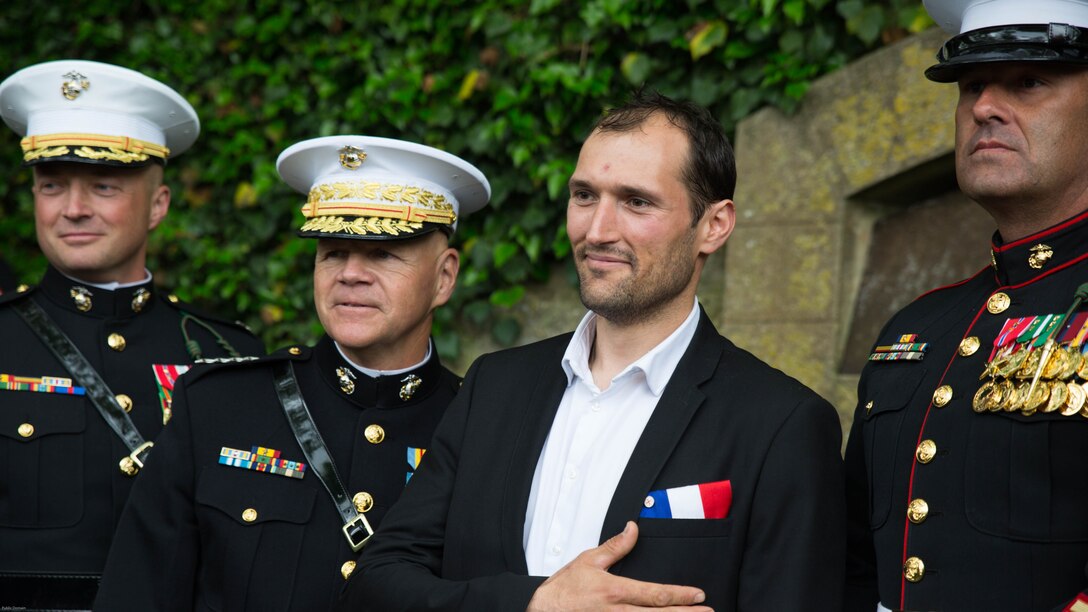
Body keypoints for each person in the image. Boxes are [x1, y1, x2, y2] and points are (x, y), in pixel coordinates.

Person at [338, 91, 845, 611]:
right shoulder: (495, 385)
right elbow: (377, 583)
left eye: (636, 201)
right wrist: (532, 604)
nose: (597, 231)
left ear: (713, 226)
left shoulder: (782, 424)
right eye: (584, 196)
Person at [93, 135, 490, 611]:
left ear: (444, 277)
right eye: (333, 252)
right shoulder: (219, 405)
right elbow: (139, 594)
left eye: (383, 253)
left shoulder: (479, 427)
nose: (350, 274)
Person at [843, 1, 1088, 610]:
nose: (983, 107)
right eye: (973, 86)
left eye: (1028, 83)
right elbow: (849, 561)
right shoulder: (919, 325)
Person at [0, 60, 263, 610]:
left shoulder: (229, 355)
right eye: (51, 185)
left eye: (102, 186)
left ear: (159, 205)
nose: (73, 209)